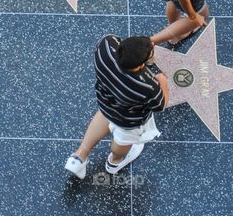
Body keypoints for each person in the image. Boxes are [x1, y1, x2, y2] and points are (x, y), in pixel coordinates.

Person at [65, 35, 168, 179]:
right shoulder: (147, 85)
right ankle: (114, 162)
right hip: (128, 120)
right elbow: (160, 105)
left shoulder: (105, 45)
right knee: (123, 139)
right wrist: (162, 81)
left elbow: (116, 39)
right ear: (140, 65)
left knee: (105, 116)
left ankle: (79, 157)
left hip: (106, 101)